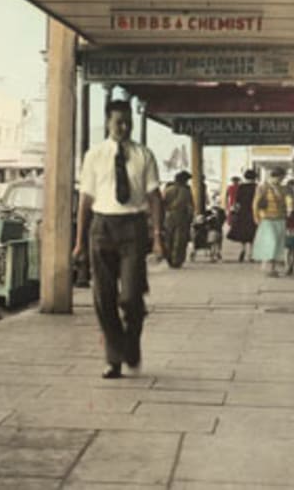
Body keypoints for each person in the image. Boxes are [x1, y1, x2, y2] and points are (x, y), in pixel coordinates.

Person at [73, 100, 164, 380]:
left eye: (127, 122)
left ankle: (131, 340)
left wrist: (158, 236)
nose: (124, 127)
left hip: (133, 227)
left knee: (131, 295)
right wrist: (79, 242)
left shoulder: (143, 155)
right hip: (102, 226)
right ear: (108, 123)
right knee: (103, 297)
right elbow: (85, 199)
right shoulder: (94, 156)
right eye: (118, 122)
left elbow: (154, 197)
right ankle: (114, 359)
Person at [251, 167, 289, 276]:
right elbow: (255, 203)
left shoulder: (281, 188)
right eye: (279, 178)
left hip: (280, 218)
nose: (280, 180)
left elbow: (285, 202)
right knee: (270, 242)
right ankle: (268, 265)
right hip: (267, 218)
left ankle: (272, 267)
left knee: (278, 243)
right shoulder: (262, 188)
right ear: (274, 177)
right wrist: (256, 217)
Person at [161, 171, 194, 268]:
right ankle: (177, 260)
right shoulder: (186, 191)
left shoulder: (168, 190)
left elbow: (162, 203)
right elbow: (190, 206)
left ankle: (169, 258)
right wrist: (190, 218)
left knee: (169, 238)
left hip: (168, 216)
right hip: (181, 216)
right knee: (179, 239)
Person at [226, 169, 259, 261]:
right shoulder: (257, 187)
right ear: (255, 177)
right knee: (253, 232)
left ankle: (243, 249)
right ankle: (251, 253)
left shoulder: (241, 187)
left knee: (243, 232)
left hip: (243, 212)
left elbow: (237, 201)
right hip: (253, 212)